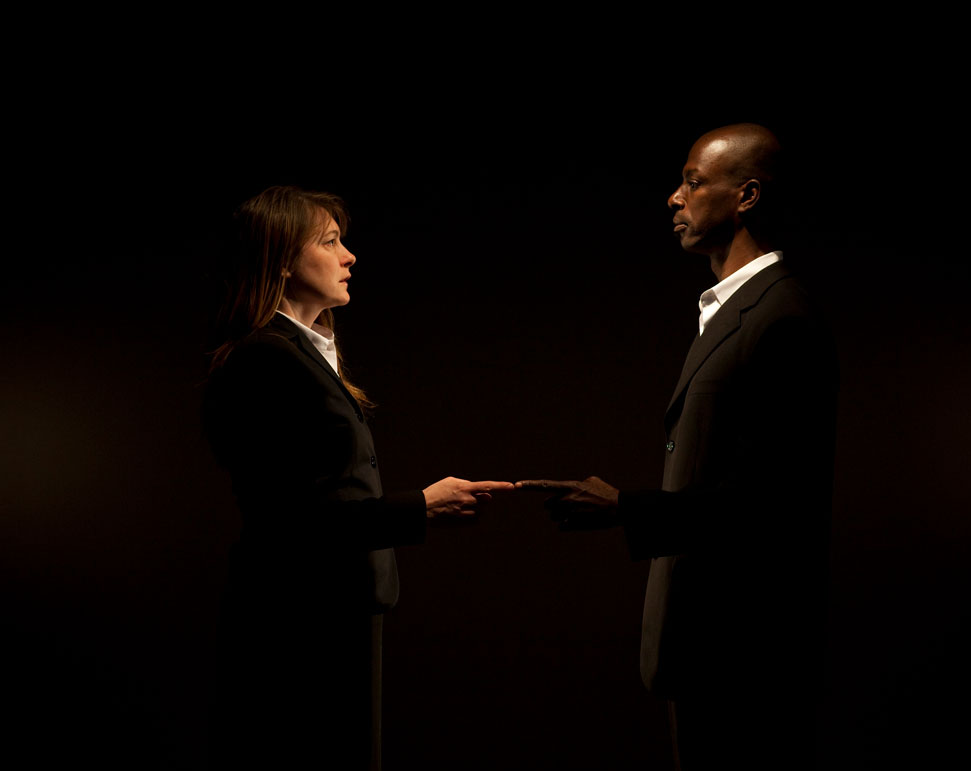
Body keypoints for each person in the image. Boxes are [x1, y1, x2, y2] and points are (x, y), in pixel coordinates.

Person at [518, 124, 838, 768]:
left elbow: (773, 501)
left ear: (746, 196)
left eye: (693, 181)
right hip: (708, 648)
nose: (674, 197)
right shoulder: (731, 312)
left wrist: (626, 509)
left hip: (746, 652)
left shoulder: (783, 317)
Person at [201, 185, 512, 769]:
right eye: (330, 241)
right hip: (297, 627)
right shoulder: (265, 358)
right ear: (283, 257)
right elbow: (290, 521)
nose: (350, 256)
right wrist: (419, 506)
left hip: (333, 614)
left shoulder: (309, 353)